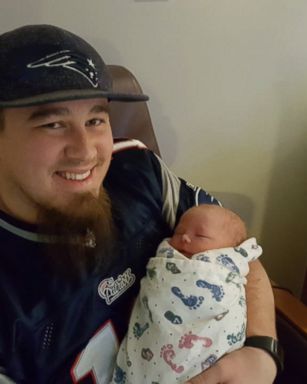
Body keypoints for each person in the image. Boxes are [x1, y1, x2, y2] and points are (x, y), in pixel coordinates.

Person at [0, 24, 279, 384]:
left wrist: (261, 350)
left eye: (95, 119)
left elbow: (239, 254)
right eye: (53, 124)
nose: (86, 151)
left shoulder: (136, 168)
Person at [112, 204, 262, 383]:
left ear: (231, 249)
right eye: (178, 232)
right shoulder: (167, 255)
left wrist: (263, 351)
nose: (184, 237)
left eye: (200, 235)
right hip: (152, 349)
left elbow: (252, 258)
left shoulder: (231, 261)